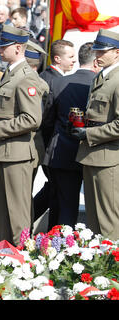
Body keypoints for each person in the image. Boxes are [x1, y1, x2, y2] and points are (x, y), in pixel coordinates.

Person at [0, 25, 45, 246]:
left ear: (18, 48)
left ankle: (23, 258)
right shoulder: (9, 72)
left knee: (18, 215)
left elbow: (32, 119)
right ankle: (7, 255)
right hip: (0, 152)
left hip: (16, 153)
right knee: (2, 214)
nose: (0, 49)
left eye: (4, 46)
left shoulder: (25, 77)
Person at [42, 42, 98, 229]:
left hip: (61, 151)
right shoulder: (98, 83)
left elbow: (47, 121)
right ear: (96, 61)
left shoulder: (58, 83)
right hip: (93, 151)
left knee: (61, 203)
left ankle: (52, 246)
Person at [73, 29, 119, 240]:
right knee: (93, 220)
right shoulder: (101, 76)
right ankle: (98, 265)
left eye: (103, 51)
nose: (97, 55)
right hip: (93, 154)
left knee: (108, 220)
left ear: (116, 52)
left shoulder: (117, 79)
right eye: (96, 50)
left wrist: (88, 132)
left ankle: (112, 266)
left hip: (108, 157)